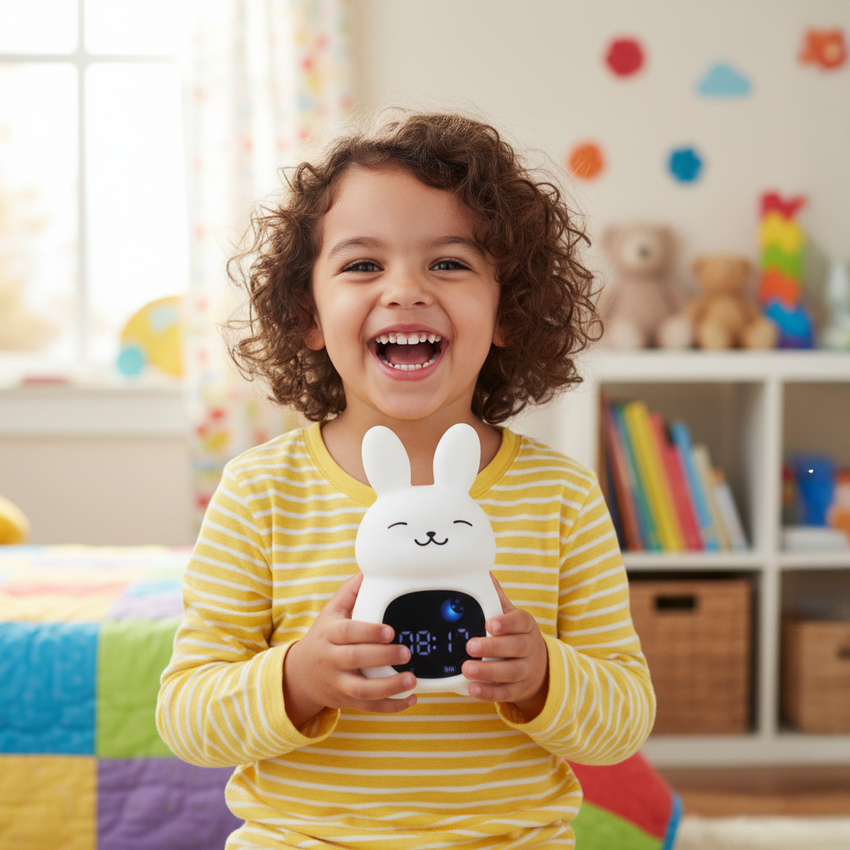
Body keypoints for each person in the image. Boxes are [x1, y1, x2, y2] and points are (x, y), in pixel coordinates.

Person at [156, 109, 656, 849]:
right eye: (363, 264)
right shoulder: (261, 492)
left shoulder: (561, 497)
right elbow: (187, 717)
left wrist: (545, 675)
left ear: (508, 309)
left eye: (448, 263)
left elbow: (624, 719)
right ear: (308, 314)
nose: (405, 290)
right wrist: (300, 678)